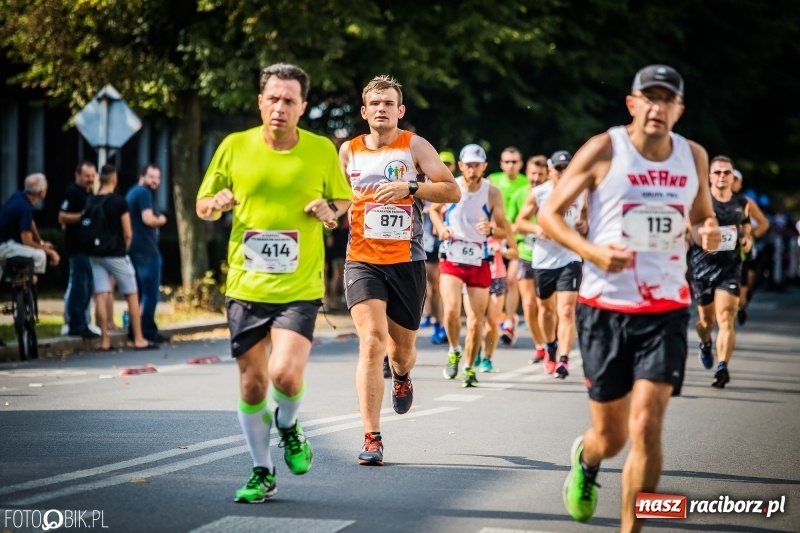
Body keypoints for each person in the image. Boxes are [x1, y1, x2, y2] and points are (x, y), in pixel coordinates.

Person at [537, 64, 720, 531]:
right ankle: (588, 459)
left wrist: (708, 231)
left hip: (665, 308)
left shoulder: (693, 155)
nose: (657, 107)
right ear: (632, 103)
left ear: (679, 109)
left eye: (667, 99)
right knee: (612, 435)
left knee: (645, 425)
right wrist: (591, 251)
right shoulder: (604, 148)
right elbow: (551, 216)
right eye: (649, 97)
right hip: (604, 308)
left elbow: (700, 219)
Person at [196, 63, 352, 502]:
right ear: (260, 102)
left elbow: (343, 199)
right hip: (246, 286)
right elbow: (203, 203)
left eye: (289, 100)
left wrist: (330, 212)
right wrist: (216, 204)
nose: (280, 107)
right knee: (252, 385)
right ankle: (262, 471)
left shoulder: (320, 150)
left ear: (302, 107)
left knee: (284, 374)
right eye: (273, 99)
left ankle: (289, 426)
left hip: (298, 288)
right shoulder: (234, 146)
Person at [340, 75, 460, 466]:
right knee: (372, 341)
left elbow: (451, 190)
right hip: (362, 259)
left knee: (401, 351)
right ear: (364, 111)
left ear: (399, 110)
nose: (381, 109)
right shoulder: (348, 151)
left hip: (407, 260)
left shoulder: (414, 146)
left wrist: (411, 189)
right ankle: (372, 437)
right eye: (374, 103)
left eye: (388, 103)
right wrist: (330, 214)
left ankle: (403, 376)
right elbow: (342, 199)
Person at [429, 143, 510, 388]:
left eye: (477, 165)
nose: (472, 170)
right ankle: (454, 349)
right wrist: (441, 227)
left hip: (479, 260)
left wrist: (493, 229)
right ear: (461, 165)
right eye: (468, 165)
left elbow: (507, 230)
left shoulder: (492, 193)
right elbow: (433, 210)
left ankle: (469, 366)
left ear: (484, 166)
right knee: (452, 310)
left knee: (476, 320)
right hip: (452, 257)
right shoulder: (450, 186)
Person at [516, 150, 587, 378]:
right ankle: (551, 347)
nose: (563, 172)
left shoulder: (580, 192)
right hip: (544, 259)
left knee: (566, 310)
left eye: (567, 168)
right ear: (550, 170)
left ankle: (564, 360)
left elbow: (585, 217)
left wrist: (585, 225)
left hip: (570, 256)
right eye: (559, 168)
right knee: (546, 311)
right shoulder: (539, 193)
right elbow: (520, 222)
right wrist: (537, 229)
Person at [688, 155, 751, 388]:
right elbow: (690, 230)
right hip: (702, 268)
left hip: (730, 267)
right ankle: (704, 341)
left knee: (726, 317)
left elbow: (746, 227)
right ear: (709, 176)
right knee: (706, 321)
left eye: (727, 173)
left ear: (733, 177)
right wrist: (702, 238)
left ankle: (722, 366)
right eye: (718, 172)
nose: (723, 176)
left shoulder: (742, 202)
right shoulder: (699, 201)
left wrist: (747, 240)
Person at [85, 164, 158, 353]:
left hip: (95, 254)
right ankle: (139, 339)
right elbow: (128, 233)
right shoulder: (119, 202)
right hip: (116, 253)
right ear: (114, 179)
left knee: (101, 294)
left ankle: (105, 341)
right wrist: (123, 251)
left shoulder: (91, 200)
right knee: (132, 294)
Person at [508, 155, 549, 363]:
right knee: (530, 305)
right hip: (526, 254)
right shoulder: (519, 194)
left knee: (547, 306)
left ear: (547, 174)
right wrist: (528, 230)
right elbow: (510, 224)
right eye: (532, 173)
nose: (535, 178)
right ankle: (540, 346)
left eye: (540, 174)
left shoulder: (553, 194)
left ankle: (552, 342)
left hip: (551, 257)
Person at [487, 147, 528, 346]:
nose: (511, 165)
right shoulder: (492, 180)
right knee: (494, 283)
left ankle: (510, 321)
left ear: (521, 164)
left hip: (516, 239)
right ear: (501, 164)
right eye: (507, 162)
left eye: (514, 161)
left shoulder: (527, 183)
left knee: (512, 279)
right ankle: (500, 317)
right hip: (494, 238)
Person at [126, 163, 169, 344]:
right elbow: (148, 219)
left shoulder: (132, 192)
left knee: (137, 291)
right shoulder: (143, 193)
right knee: (150, 292)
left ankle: (133, 329)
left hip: (134, 249)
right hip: (146, 250)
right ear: (142, 176)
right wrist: (161, 219)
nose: (155, 181)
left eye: (158, 178)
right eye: (152, 177)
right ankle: (148, 329)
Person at [58, 161, 100, 339]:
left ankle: (83, 322)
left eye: (92, 175)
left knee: (87, 286)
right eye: (86, 176)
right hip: (77, 247)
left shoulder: (89, 193)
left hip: (88, 247)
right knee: (79, 286)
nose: (90, 179)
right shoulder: (72, 192)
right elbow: (62, 216)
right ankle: (76, 324)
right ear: (77, 175)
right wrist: (82, 216)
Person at [0, 173, 60, 281]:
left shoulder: (18, 196)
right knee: (40, 255)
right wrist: (50, 252)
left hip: (6, 243)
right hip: (5, 246)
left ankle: (22, 276)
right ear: (41, 191)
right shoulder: (25, 208)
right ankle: (24, 276)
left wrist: (41, 242)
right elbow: (27, 242)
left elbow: (30, 222)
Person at [730, 169, 769, 324]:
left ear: (740, 184)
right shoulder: (710, 199)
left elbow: (764, 223)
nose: (731, 182)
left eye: (735, 180)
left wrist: (751, 235)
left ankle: (742, 305)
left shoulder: (746, 201)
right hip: (718, 252)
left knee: (746, 279)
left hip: (741, 249)